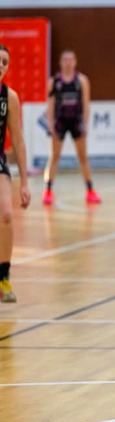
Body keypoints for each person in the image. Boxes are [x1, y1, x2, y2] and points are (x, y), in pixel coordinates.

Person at [43, 49, 101, 205]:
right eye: (65, 60)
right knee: (54, 156)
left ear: (75, 62)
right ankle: (48, 191)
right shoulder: (54, 82)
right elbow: (50, 104)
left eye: (71, 60)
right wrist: (50, 125)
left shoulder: (82, 81)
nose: (68, 63)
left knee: (82, 157)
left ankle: (90, 190)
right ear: (60, 62)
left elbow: (86, 104)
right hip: (60, 122)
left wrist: (85, 124)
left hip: (76, 122)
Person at [0, 45, 32, 302]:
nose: (1, 65)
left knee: (7, 215)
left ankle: (3, 278)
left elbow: (18, 141)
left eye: (5, 62)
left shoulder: (9, 97)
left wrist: (24, 183)